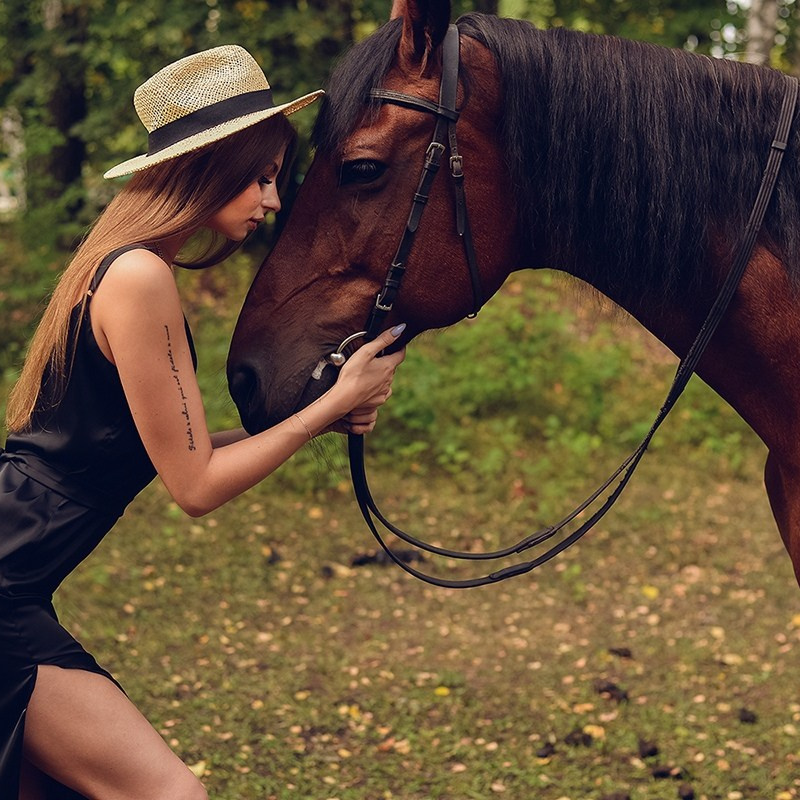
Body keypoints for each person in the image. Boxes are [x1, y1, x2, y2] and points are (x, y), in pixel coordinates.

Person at [0, 44, 405, 800]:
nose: (273, 201)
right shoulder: (139, 277)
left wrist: (326, 413)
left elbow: (172, 452)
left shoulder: (121, 265)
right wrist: (331, 403)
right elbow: (195, 485)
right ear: (206, 168)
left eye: (275, 179)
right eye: (260, 178)